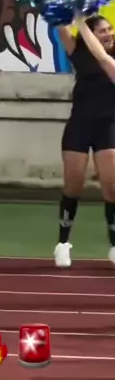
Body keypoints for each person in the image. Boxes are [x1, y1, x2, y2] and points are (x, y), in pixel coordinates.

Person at [54, 13, 115, 268]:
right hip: (80, 125)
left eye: (110, 29)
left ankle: (114, 245)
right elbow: (60, 28)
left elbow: (102, 57)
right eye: (103, 30)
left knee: (112, 187)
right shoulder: (79, 52)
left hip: (109, 127)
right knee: (73, 185)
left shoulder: (111, 59)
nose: (109, 33)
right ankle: (63, 243)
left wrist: (80, 18)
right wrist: (53, 4)